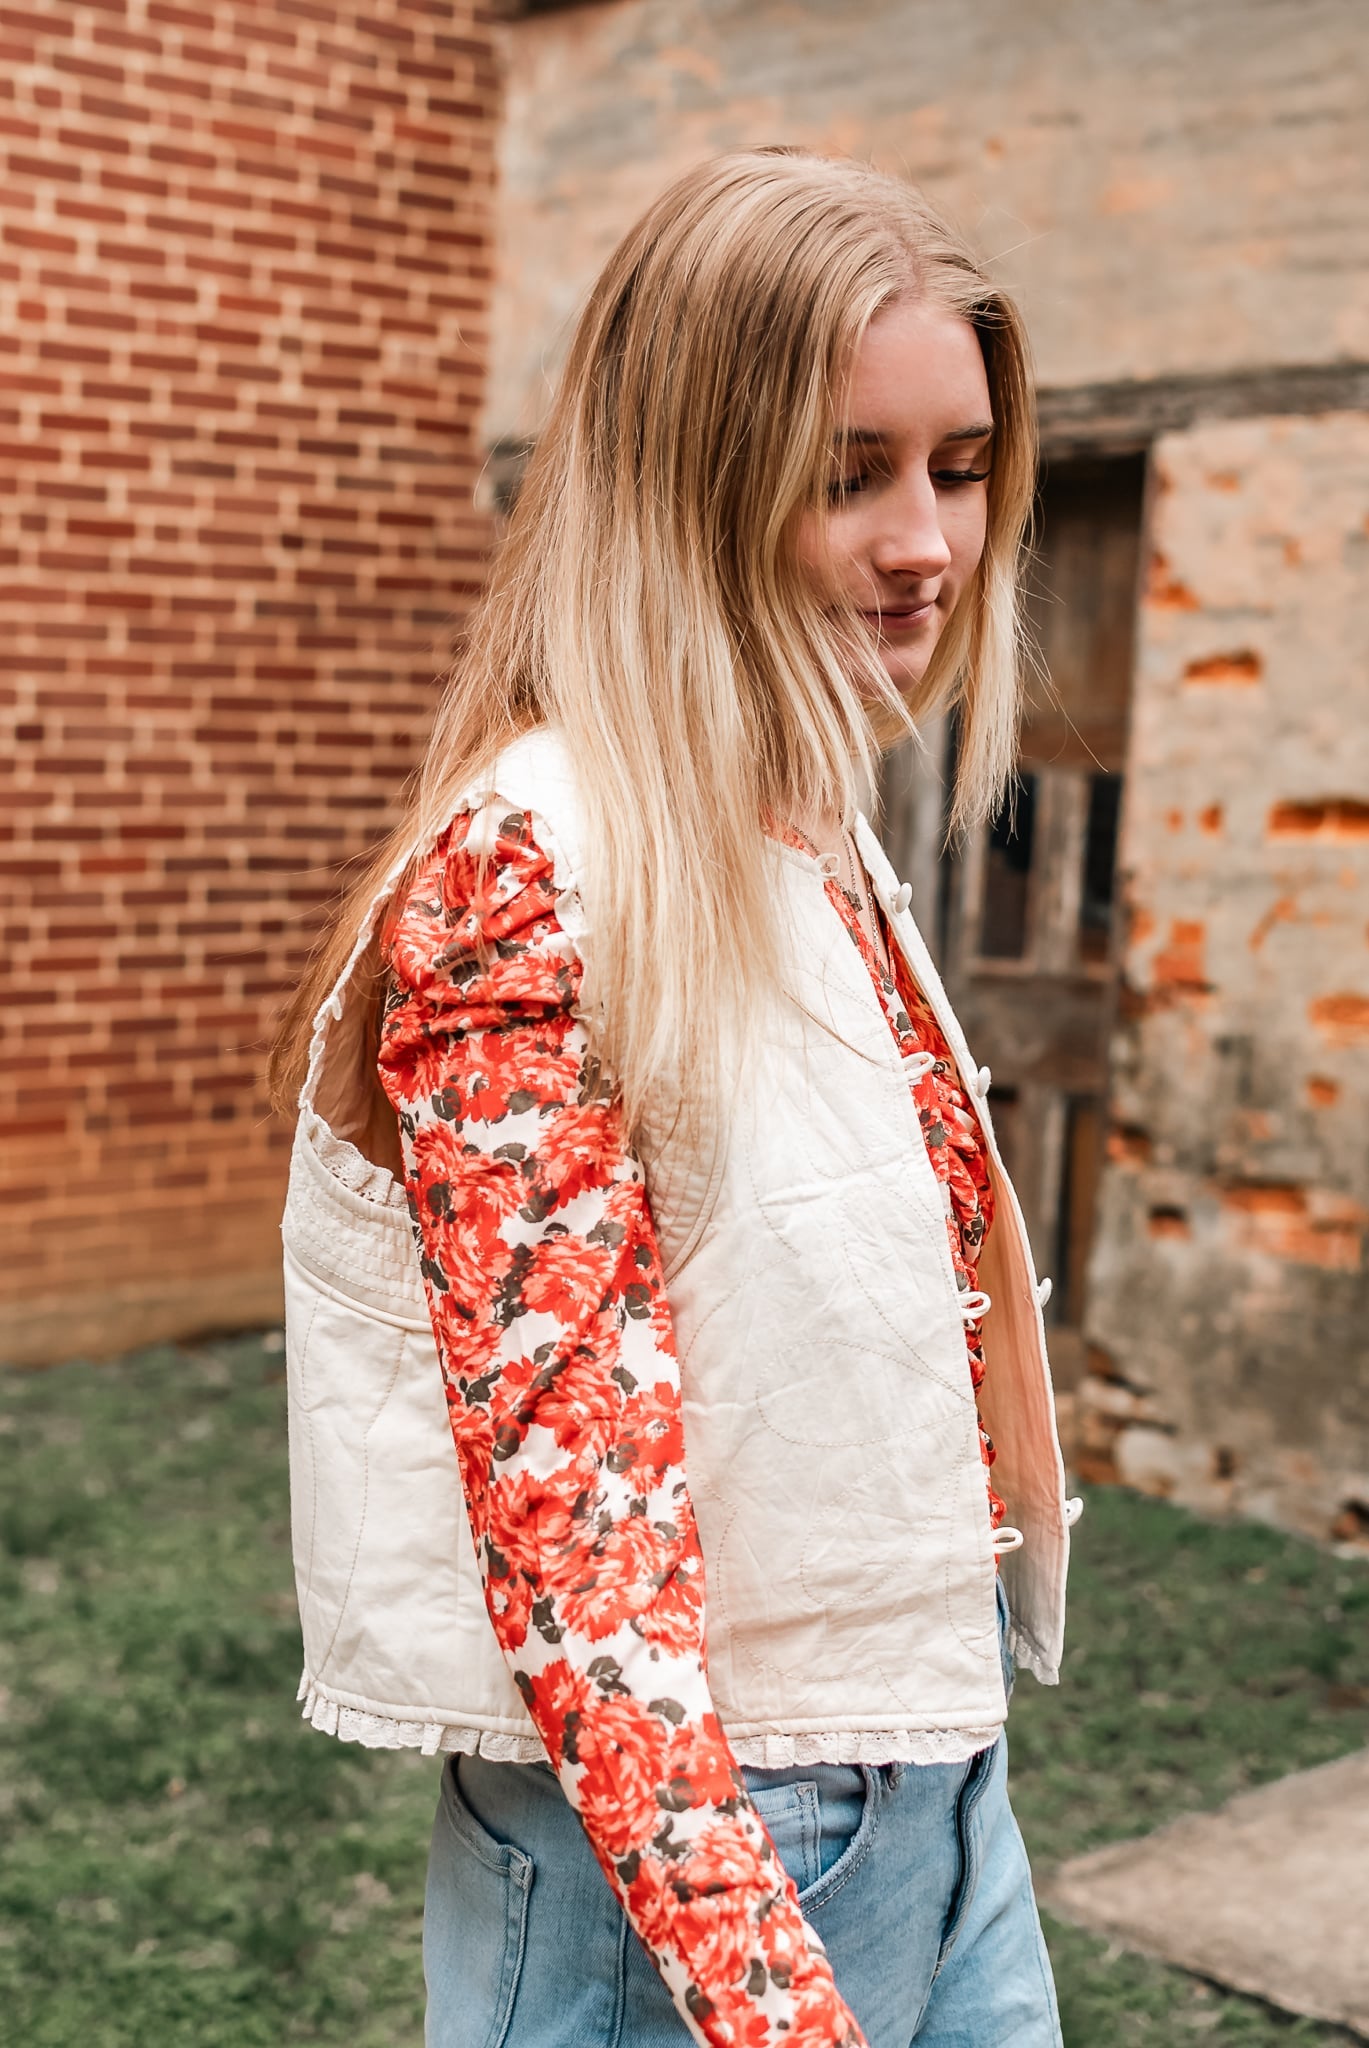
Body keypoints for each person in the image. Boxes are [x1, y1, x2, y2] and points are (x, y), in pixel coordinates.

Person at [269, 146, 1079, 2048]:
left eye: (956, 469)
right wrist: (755, 1983)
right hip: (707, 1853)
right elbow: (574, 1524)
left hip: (927, 1776)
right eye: (845, 472)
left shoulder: (798, 815)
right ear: (686, 482)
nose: (926, 545)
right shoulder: (536, 859)